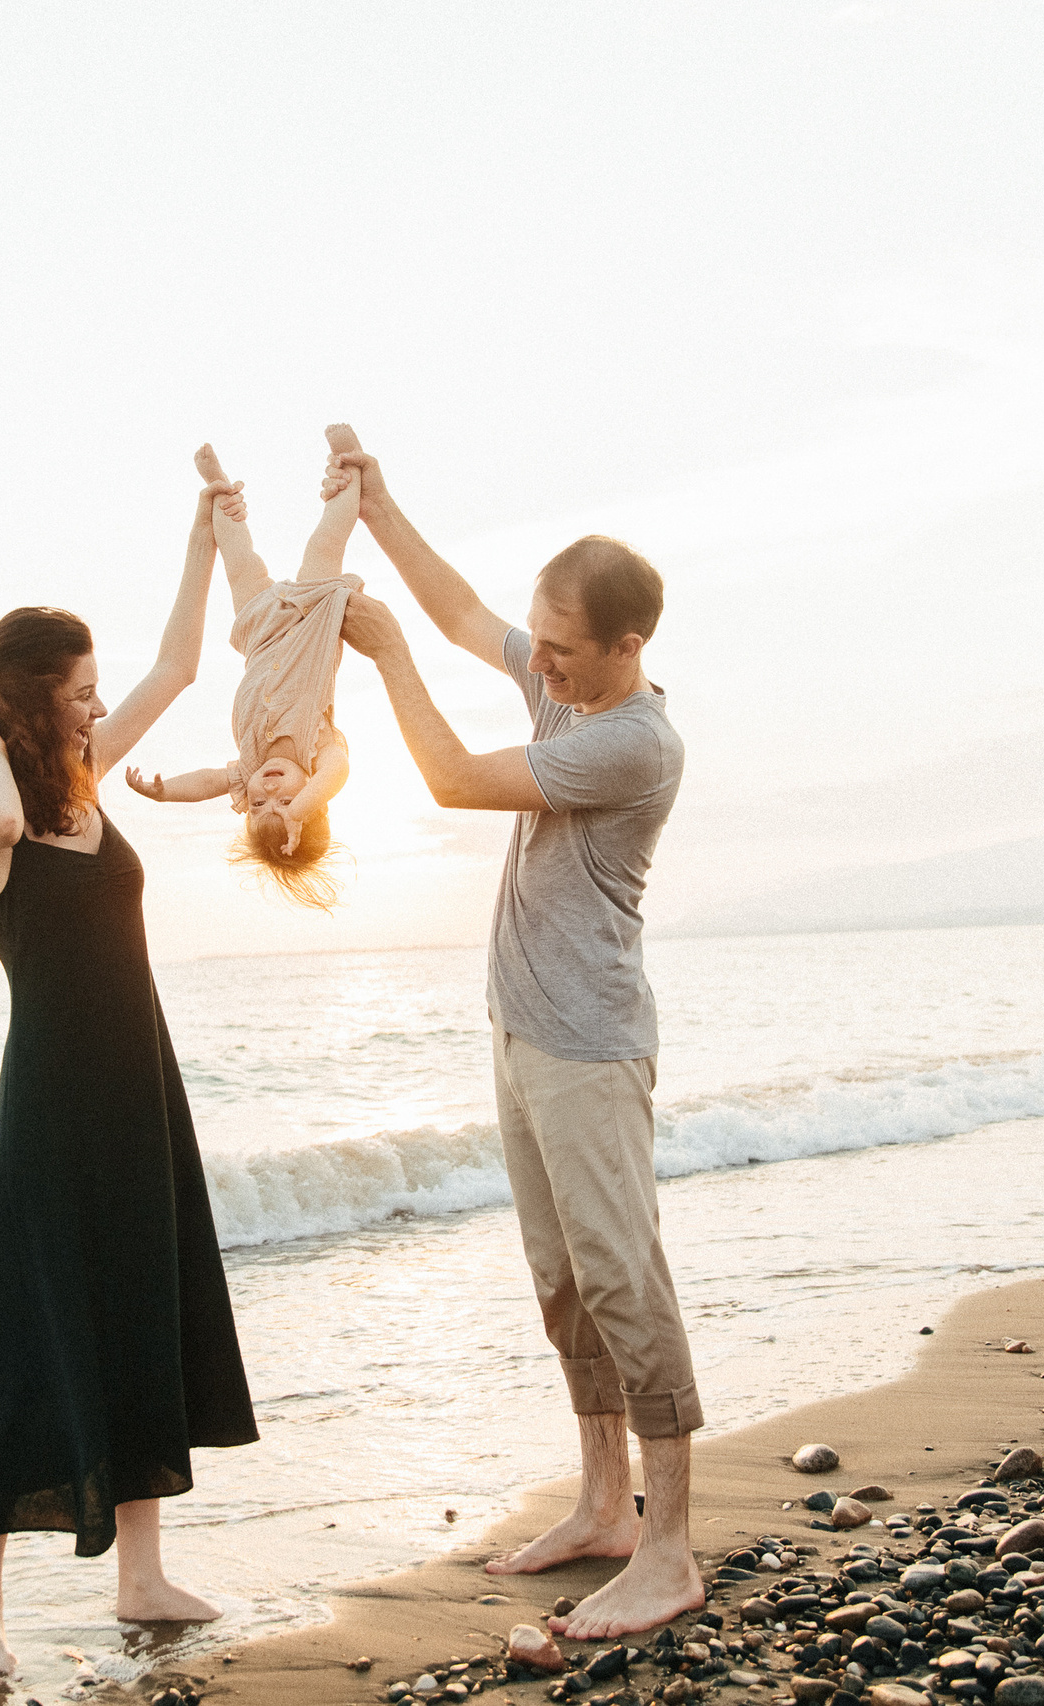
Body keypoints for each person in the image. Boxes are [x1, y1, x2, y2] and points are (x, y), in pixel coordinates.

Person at [323, 428, 703, 1640]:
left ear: (626, 644)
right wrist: (378, 509)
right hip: (521, 1030)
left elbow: (443, 775)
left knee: (623, 1278)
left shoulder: (630, 739)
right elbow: (455, 608)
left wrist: (380, 658)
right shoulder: (565, 678)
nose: (536, 658)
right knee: (561, 1281)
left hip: (588, 1042)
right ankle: (601, 1502)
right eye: (538, 637)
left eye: (561, 645)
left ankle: (670, 1546)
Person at [0, 477, 259, 1688]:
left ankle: (140, 1572)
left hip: (139, 1095)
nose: (99, 706)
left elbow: (172, 669)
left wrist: (201, 541)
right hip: (54, 1119)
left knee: (143, 1313)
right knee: (31, 1344)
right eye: (76, 691)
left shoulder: (82, 782)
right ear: (25, 700)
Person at [123, 430, 364, 908]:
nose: (268, 791)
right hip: (313, 618)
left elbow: (210, 784)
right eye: (287, 801)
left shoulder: (250, 766)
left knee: (239, 558)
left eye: (258, 805)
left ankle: (219, 490)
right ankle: (348, 467)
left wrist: (166, 792)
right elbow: (337, 776)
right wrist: (306, 803)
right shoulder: (319, 752)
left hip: (259, 631)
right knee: (326, 539)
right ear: (313, 801)